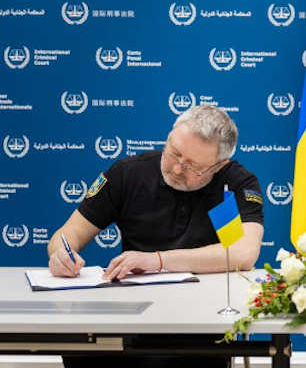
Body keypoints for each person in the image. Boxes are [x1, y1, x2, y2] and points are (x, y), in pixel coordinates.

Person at [47, 105, 265, 368]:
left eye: (193, 167)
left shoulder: (233, 184)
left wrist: (158, 260)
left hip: (200, 323)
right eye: (173, 153)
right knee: (80, 346)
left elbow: (243, 253)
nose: (176, 168)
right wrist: (60, 254)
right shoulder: (128, 173)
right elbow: (66, 236)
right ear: (170, 135)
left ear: (219, 166)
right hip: (131, 318)